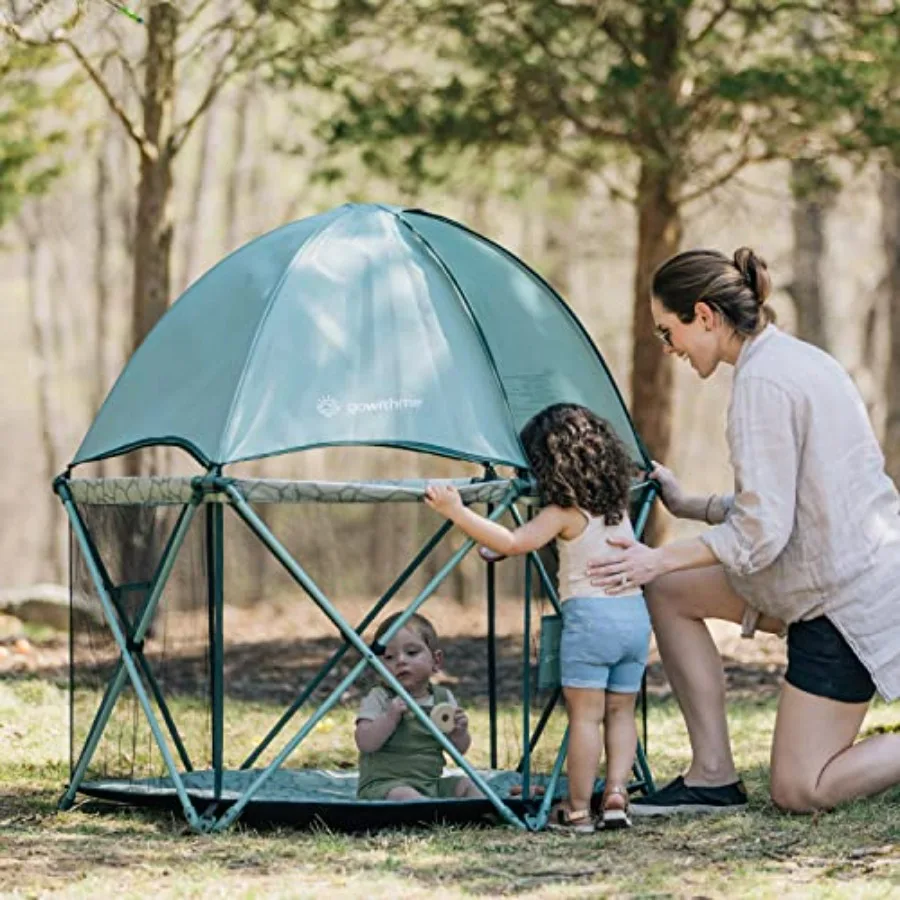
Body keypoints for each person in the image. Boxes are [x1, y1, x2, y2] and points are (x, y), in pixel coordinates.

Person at [587, 247, 900, 816]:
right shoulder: (796, 360)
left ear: (704, 315)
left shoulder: (762, 385)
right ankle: (712, 776)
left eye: (669, 331)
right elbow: (794, 502)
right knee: (670, 590)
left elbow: (762, 535)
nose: (669, 349)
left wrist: (656, 557)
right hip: (824, 573)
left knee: (800, 789)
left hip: (845, 601)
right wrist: (692, 505)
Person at [425, 403, 650, 833]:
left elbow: (513, 540)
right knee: (622, 712)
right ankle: (617, 795)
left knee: (586, 717)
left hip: (591, 621)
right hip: (634, 618)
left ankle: (580, 810)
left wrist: (457, 512)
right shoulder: (617, 505)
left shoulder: (563, 511)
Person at [355, 611, 483, 801]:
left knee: (467, 784)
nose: (400, 661)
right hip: (386, 786)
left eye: (412, 653)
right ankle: (429, 813)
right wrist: (389, 718)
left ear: (436, 661)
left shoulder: (443, 698)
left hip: (431, 784)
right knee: (404, 794)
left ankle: (484, 813)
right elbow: (365, 743)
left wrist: (459, 733)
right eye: (389, 657)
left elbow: (459, 751)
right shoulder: (380, 697)